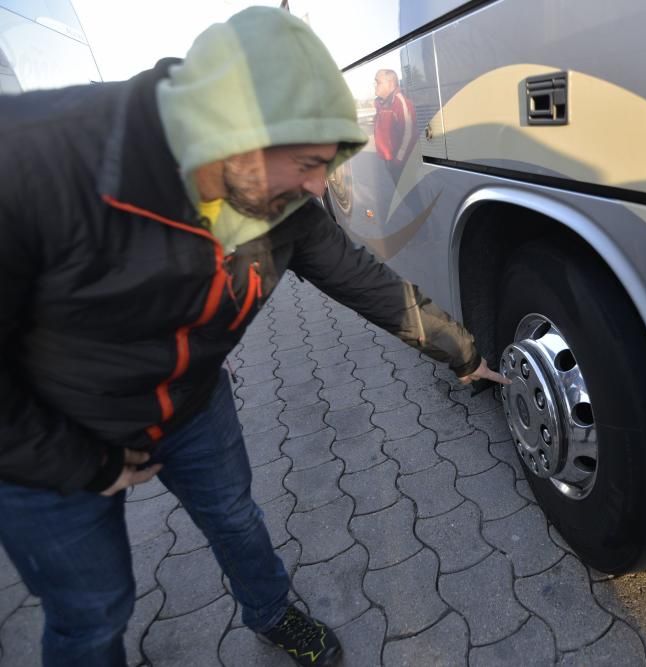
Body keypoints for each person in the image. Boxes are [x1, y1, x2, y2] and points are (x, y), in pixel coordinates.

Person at [0, 7, 506, 667]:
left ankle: (270, 614)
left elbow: (367, 283)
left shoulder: (286, 206)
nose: (319, 185)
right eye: (305, 162)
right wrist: (79, 463)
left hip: (193, 404)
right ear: (229, 134)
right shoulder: (37, 162)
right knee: (93, 610)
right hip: (54, 434)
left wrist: (464, 352)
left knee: (238, 520)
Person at [373, 68, 417, 182]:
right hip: (389, 159)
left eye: (378, 82)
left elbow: (409, 133)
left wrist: (398, 159)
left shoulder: (400, 102)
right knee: (402, 194)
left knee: (411, 195)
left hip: (401, 162)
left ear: (391, 83)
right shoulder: (381, 104)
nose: (375, 85)